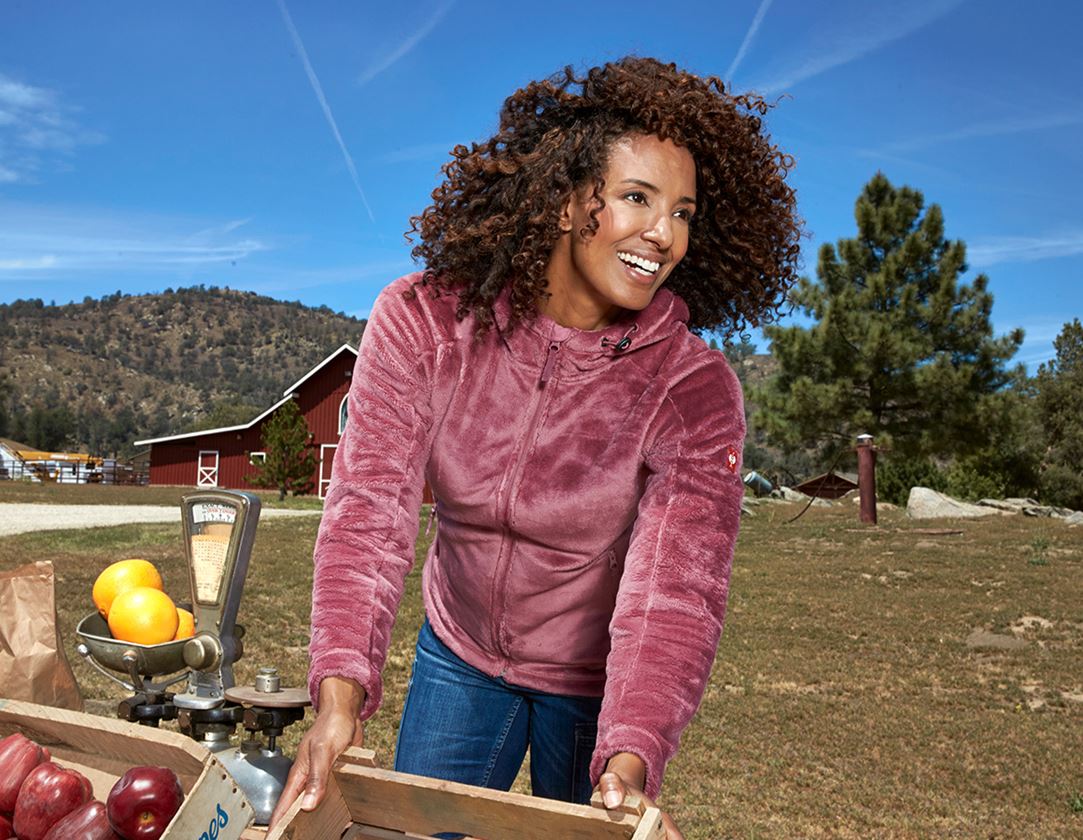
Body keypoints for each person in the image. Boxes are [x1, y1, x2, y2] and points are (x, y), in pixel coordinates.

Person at [269, 56, 800, 837]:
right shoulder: (425, 321)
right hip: (458, 653)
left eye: (682, 212)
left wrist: (629, 758)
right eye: (635, 198)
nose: (663, 234)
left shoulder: (692, 387)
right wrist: (337, 698)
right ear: (562, 201)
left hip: (596, 685)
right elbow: (368, 512)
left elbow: (673, 593)